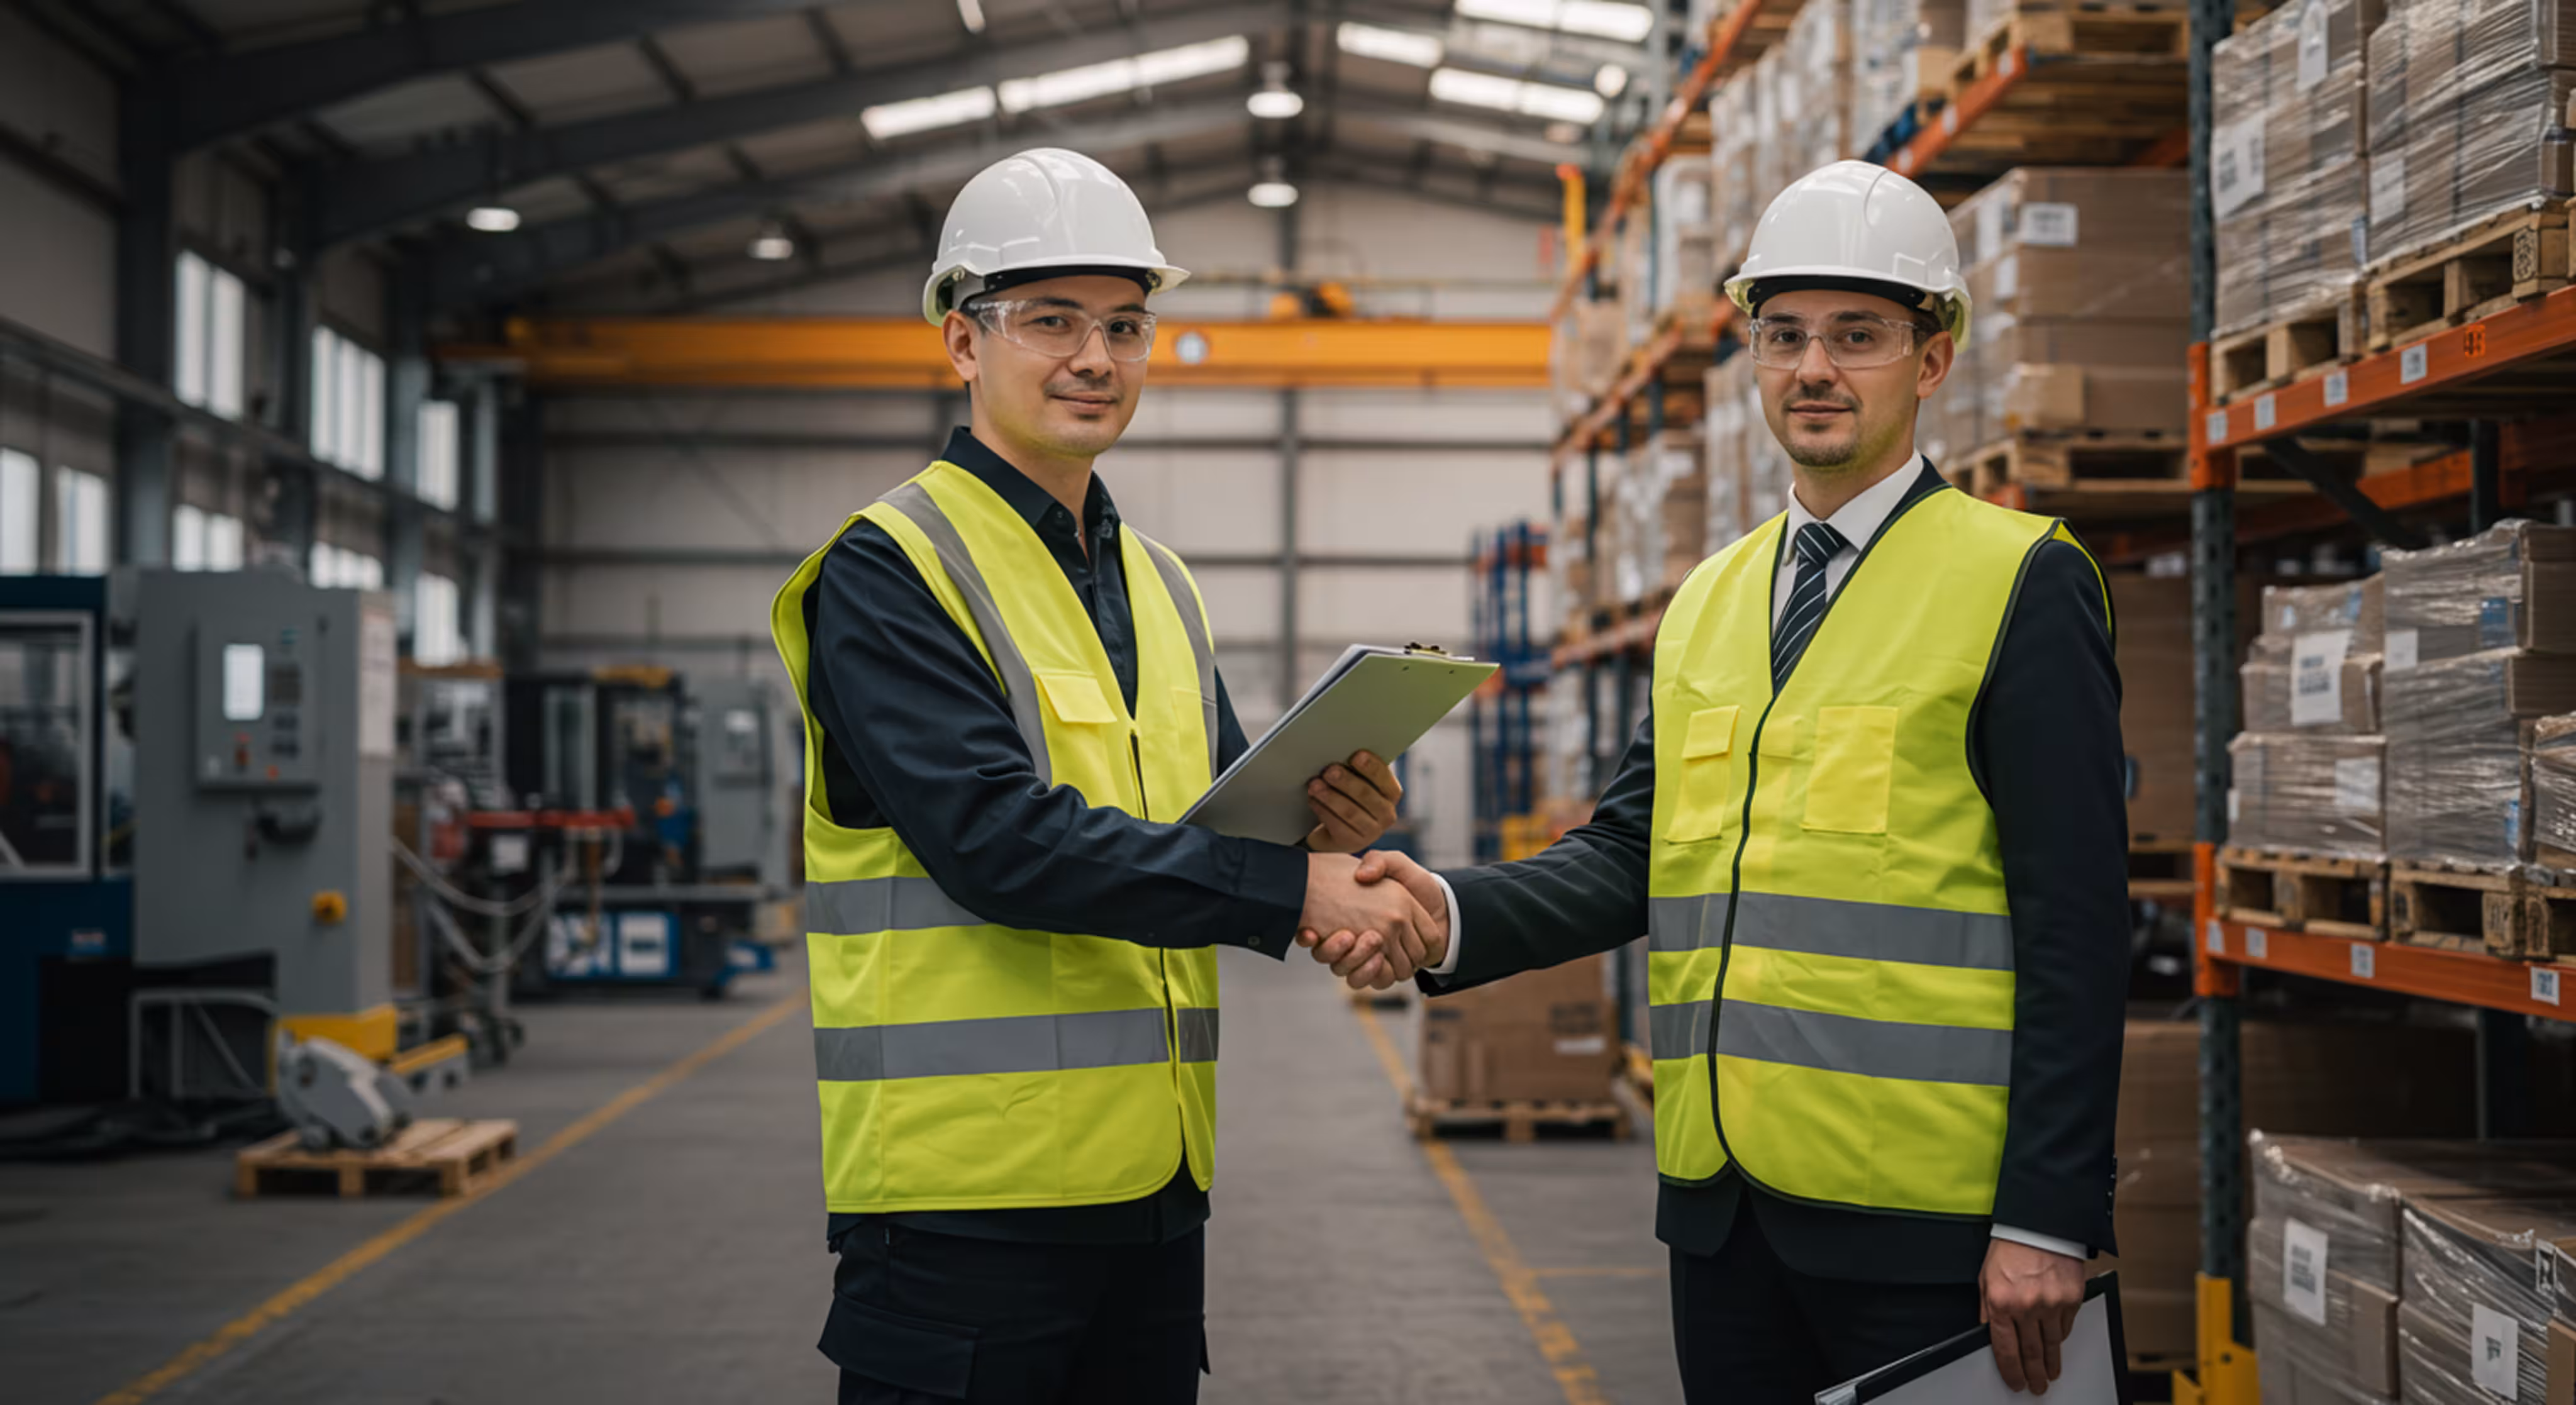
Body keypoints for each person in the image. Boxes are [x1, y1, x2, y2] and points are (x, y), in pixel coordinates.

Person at [1307, 161, 2130, 1403]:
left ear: (1933, 359)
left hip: (1931, 1229)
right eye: (1782, 334)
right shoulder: (1707, 599)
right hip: (1719, 1215)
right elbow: (1631, 853)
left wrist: (2046, 1215)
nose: (1813, 368)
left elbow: (2076, 923)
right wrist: (1444, 910)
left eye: (1856, 335)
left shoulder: (2020, 580)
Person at [768, 147, 1446, 1404]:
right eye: (1052, 320)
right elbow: (997, 841)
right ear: (962, 342)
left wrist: (1323, 833)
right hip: (966, 1202)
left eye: (1125, 325)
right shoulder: (891, 566)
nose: (1095, 356)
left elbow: (1221, 820)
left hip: (1153, 1190)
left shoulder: (1161, 583)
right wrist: (1291, 893)